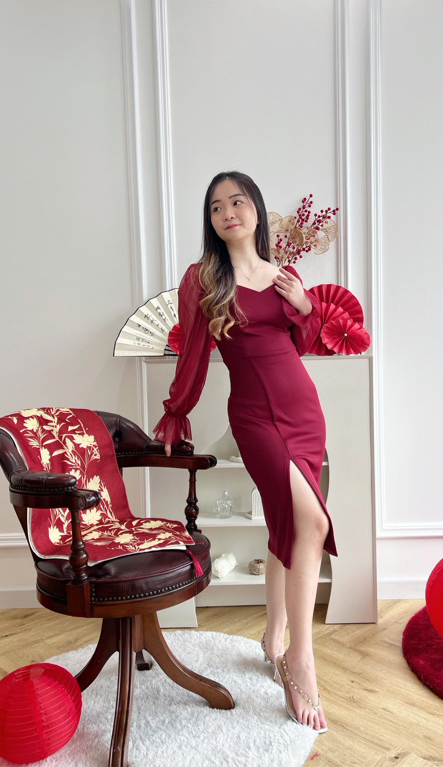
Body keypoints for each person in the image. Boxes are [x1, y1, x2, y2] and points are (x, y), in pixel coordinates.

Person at [152, 171, 337, 733]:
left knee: (289, 524)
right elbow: (192, 355)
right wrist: (176, 409)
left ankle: (274, 637)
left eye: (236, 201)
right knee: (311, 523)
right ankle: (300, 660)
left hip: (304, 411)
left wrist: (303, 306)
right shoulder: (203, 279)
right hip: (256, 418)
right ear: (210, 222)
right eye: (216, 207)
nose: (227, 212)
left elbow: (304, 343)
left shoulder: (283, 276)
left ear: (256, 210)